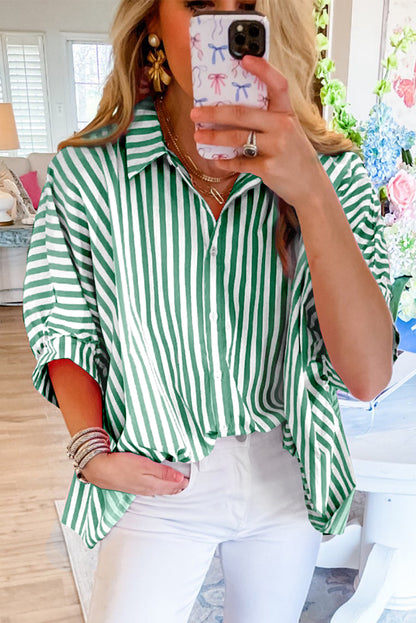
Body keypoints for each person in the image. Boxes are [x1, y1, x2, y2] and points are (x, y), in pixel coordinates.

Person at [23, 0, 398, 621]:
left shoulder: (332, 172)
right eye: (200, 5)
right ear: (152, 21)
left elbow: (367, 376)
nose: (223, 25)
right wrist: (90, 448)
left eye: (247, 8)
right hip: (154, 467)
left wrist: (310, 190)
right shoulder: (90, 171)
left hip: (288, 469)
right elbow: (64, 314)